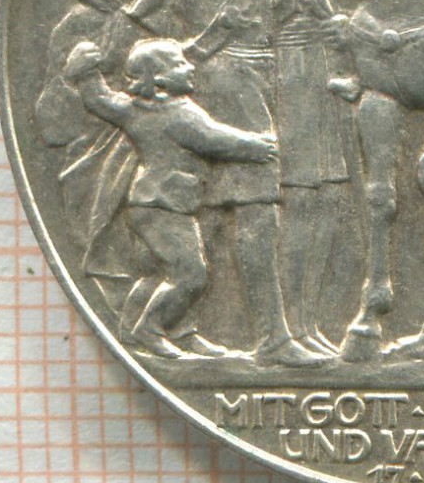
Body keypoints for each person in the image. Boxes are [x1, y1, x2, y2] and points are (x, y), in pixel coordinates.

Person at [112, 0, 323, 366]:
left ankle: (180, 325)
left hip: (259, 81)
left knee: (241, 211)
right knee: (255, 209)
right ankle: (271, 338)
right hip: (220, 88)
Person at [211, 0, 356, 352]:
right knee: (300, 197)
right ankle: (288, 326)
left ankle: (310, 323)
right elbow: (247, 21)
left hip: (327, 64)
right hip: (286, 73)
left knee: (330, 199)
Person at [63, 37, 277, 358]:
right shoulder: (181, 115)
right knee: (190, 275)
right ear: (159, 79)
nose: (190, 67)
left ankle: (156, 331)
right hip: (165, 206)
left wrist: (85, 72)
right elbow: (212, 139)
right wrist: (255, 145)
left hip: (147, 204)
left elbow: (100, 100)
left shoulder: (132, 110)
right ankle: (150, 330)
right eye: (179, 63)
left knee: (156, 272)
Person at [36, 0, 157, 286]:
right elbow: (51, 126)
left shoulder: (148, 14)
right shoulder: (75, 27)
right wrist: (70, 77)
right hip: (99, 159)